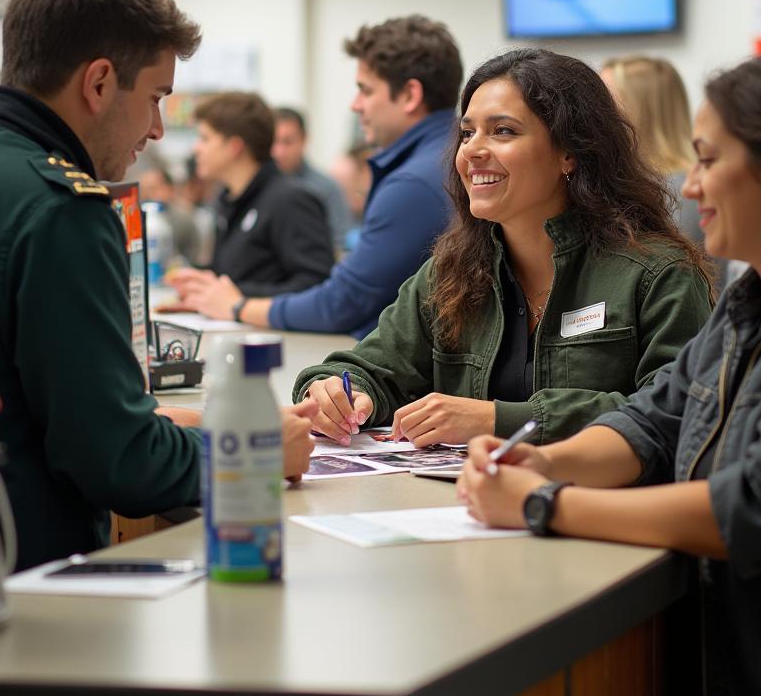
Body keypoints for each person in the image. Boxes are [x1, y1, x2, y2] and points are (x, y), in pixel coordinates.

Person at [460, 49, 761, 696]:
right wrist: (544, 464)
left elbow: (758, 511)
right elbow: (651, 423)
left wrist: (544, 507)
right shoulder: (747, 301)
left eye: (707, 160)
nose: (689, 186)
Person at [0, 0, 316, 571]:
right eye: (155, 96)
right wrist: (254, 452)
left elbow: (29, 395)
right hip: (20, 582)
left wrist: (161, 420)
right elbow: (120, 463)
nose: (158, 130)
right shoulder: (59, 209)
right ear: (100, 83)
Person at [294, 48, 712, 448]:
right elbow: (370, 368)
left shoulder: (659, 273)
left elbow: (674, 411)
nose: (473, 150)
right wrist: (335, 390)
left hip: (597, 513)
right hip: (462, 510)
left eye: (503, 131)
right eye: (467, 133)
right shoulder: (451, 271)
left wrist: (499, 420)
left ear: (570, 152)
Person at [167, 15, 462, 339]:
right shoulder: (444, 158)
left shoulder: (413, 184)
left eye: (365, 90)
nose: (355, 105)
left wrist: (238, 307)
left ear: (409, 95)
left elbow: (342, 301)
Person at [183, 92, 334, 300]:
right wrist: (197, 282)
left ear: (234, 147)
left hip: (279, 331)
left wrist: (237, 297)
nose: (196, 148)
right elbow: (234, 275)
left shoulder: (290, 200)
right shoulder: (228, 200)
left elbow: (317, 285)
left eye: (205, 138)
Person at [600, 54, 701, 245]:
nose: (593, 112)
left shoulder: (683, 192)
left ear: (640, 111)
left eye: (605, 102)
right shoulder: (626, 182)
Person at [271, 105, 354, 253]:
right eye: (274, 142)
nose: (279, 151)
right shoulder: (259, 188)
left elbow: (340, 242)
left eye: (287, 142)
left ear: (304, 140)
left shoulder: (326, 188)